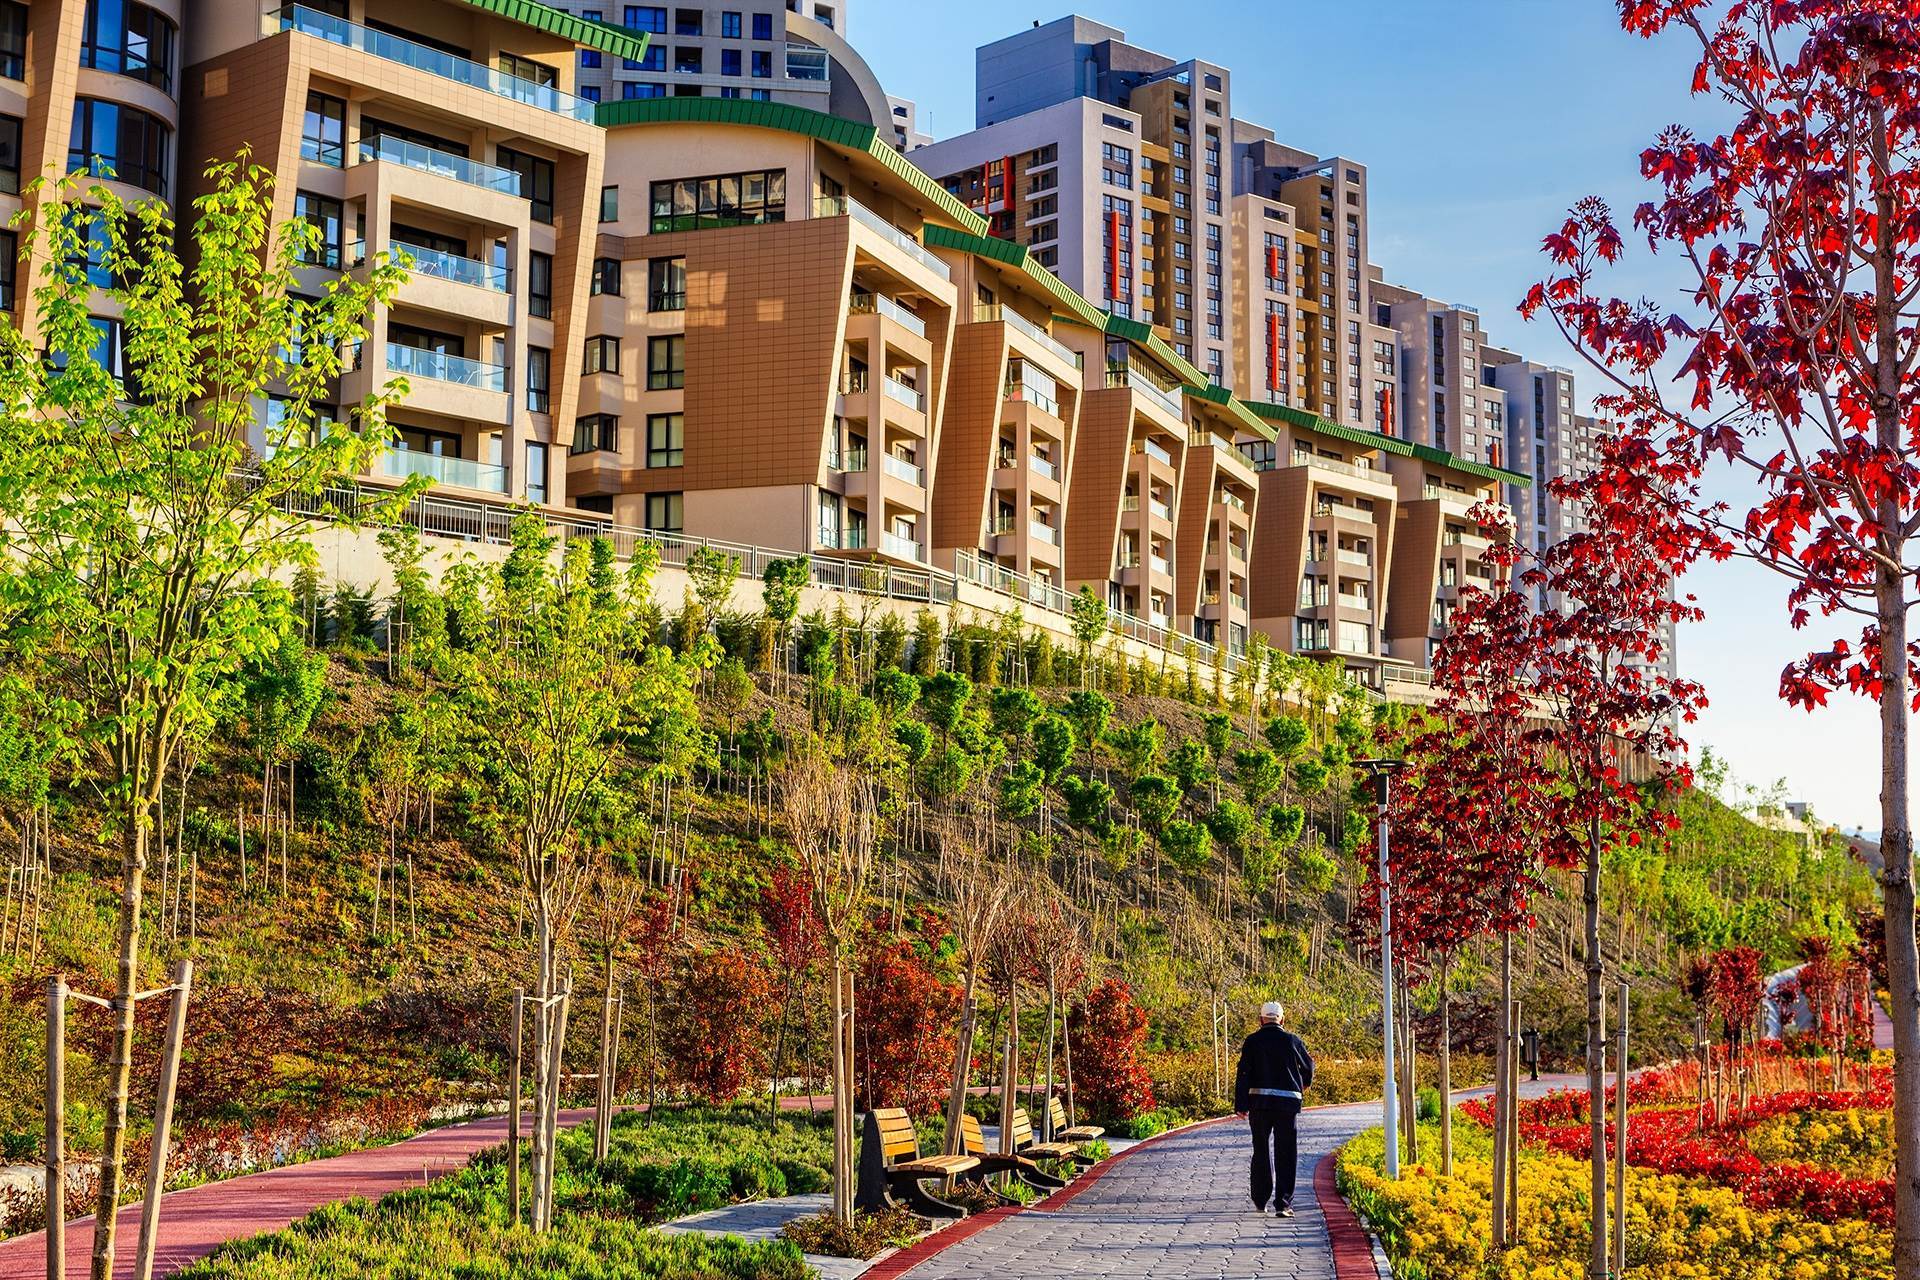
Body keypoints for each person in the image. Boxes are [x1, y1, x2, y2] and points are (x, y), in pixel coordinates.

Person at [1233, 999, 1314, 1217]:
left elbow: (1243, 1073)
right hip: (1287, 1104)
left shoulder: (1252, 1041)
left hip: (1259, 1103)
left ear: (1261, 1020)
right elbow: (1308, 1066)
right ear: (1282, 1020)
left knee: (1260, 1149)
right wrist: (1304, 1084)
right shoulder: (1292, 1041)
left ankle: (1260, 1200)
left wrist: (1241, 1104)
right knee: (1285, 1152)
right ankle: (1283, 1204)